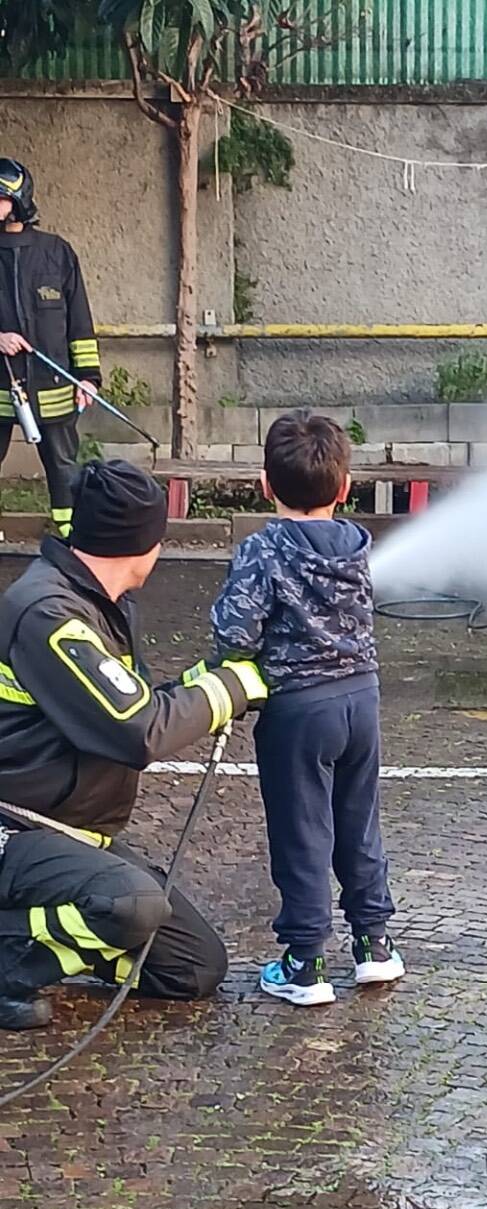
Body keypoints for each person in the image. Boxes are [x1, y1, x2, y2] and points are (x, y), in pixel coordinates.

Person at [0, 459, 267, 1032]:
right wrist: (232, 688)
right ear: (145, 543)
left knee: (193, 967)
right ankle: (7, 962)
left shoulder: (99, 605)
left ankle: (39, 929)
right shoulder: (50, 615)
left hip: (71, 835)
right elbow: (139, 730)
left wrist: (201, 683)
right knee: (131, 904)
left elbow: (126, 702)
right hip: (17, 831)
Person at [212, 410, 404, 1006]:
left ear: (265, 484)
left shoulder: (261, 550)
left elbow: (234, 633)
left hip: (298, 712)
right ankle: (374, 945)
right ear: (346, 488)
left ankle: (304, 963)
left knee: (303, 833)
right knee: (358, 822)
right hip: (362, 700)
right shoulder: (358, 545)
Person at [0, 158, 102, 538]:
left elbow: (79, 322)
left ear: (20, 200)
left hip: (54, 385)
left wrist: (89, 378)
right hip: (0, 386)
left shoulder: (57, 253)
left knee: (62, 465)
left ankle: (69, 533)